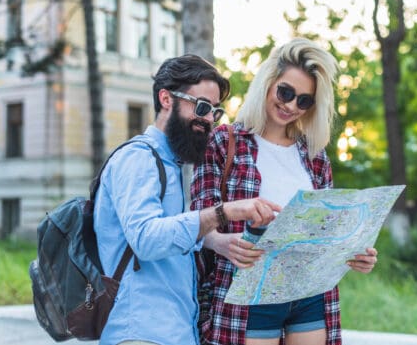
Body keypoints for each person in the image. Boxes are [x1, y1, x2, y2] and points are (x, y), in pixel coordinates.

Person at [190, 38, 379, 345]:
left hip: (309, 294)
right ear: (268, 83)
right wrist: (221, 242)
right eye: (286, 92)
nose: (291, 106)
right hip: (251, 294)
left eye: (303, 101)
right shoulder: (225, 142)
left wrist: (354, 253)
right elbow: (195, 221)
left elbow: (327, 232)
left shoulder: (315, 157)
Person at [93, 54, 279, 345]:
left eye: (214, 112)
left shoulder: (171, 165)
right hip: (140, 332)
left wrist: (213, 241)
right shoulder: (138, 158)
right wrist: (222, 213)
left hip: (172, 331)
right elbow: (146, 238)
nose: (208, 120)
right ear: (166, 99)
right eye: (202, 107)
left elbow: (166, 230)